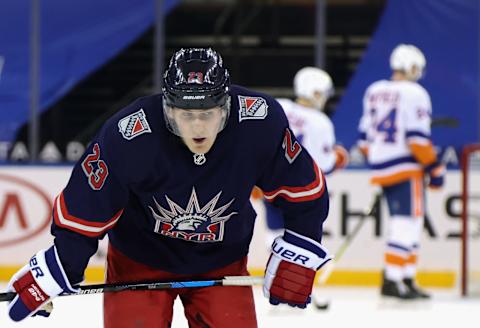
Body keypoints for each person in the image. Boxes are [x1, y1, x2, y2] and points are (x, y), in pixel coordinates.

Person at [6, 48, 332, 327]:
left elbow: (302, 189)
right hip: (138, 262)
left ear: (226, 106)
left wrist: (301, 246)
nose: (198, 126)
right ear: (167, 109)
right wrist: (62, 264)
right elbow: (88, 206)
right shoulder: (128, 135)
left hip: (222, 259)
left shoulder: (259, 122)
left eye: (207, 113)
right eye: (186, 114)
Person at [357, 44, 445, 300]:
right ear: (412, 67)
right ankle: (393, 278)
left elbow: (363, 140)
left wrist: (380, 160)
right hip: (406, 168)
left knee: (411, 222)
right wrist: (434, 168)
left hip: (382, 166)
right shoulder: (416, 92)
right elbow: (417, 139)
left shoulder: (374, 90)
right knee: (406, 223)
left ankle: (406, 277)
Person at [262, 67, 348, 244]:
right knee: (300, 242)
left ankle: (274, 269)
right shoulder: (320, 122)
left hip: (271, 184)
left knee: (274, 236)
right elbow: (325, 165)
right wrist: (339, 157)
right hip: (300, 191)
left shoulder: (279, 106)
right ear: (315, 92)